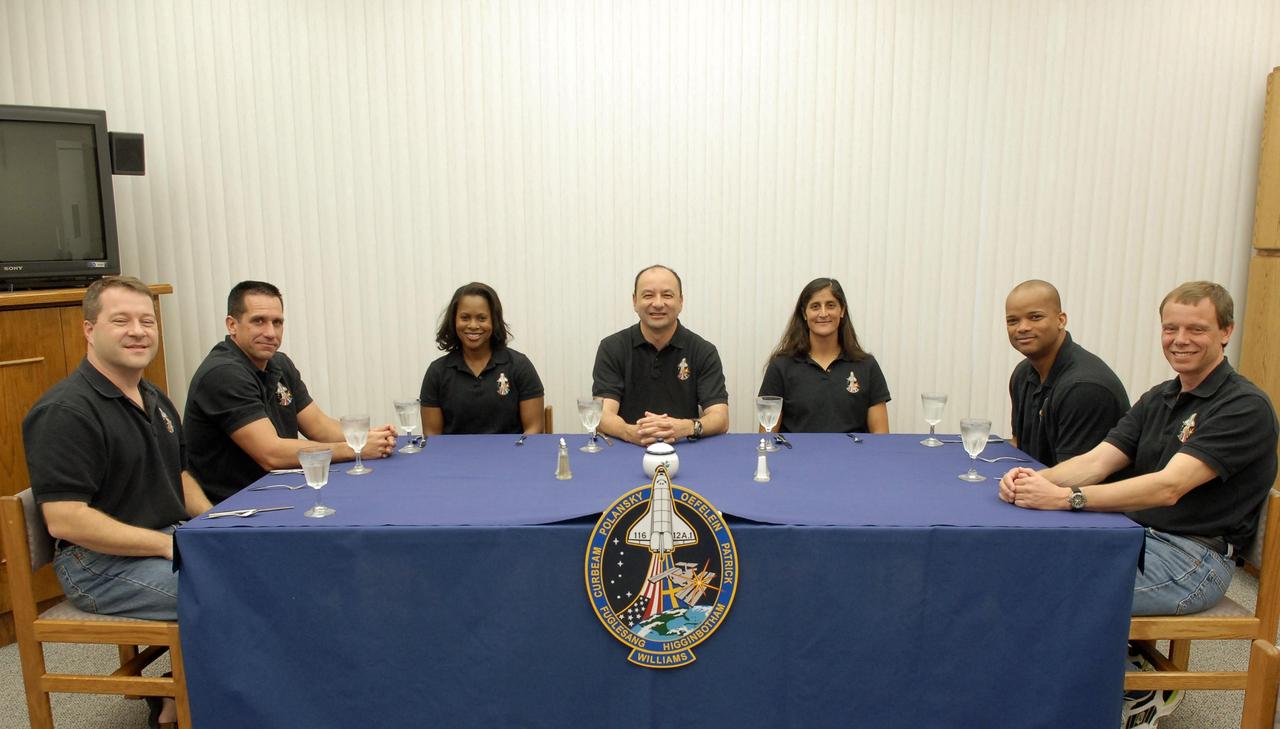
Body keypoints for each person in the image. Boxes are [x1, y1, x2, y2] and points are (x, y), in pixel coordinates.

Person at [999, 282, 1278, 727]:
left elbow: (1168, 487)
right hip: (1139, 535)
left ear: (1226, 332)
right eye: (1171, 328)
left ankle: (1134, 688)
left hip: (1193, 559)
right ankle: (1111, 677)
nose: (1180, 339)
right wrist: (1028, 481)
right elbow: (1095, 462)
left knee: (1042, 593)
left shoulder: (1243, 406)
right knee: (1024, 565)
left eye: (1196, 329)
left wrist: (1065, 498)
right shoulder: (1161, 397)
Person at [23, 276, 210, 727]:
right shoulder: (66, 412)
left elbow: (180, 476)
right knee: (226, 592)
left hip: (159, 541)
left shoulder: (154, 397)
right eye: (121, 320)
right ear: (89, 329)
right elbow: (66, 520)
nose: (138, 331)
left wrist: (217, 526)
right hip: (97, 565)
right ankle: (178, 707)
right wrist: (167, 546)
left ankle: (187, 691)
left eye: (147, 320)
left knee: (255, 570)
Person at [184, 281, 396, 504]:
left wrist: (367, 437)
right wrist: (355, 449)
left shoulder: (279, 363)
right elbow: (271, 453)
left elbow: (319, 426)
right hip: (237, 507)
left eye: (277, 322)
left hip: (280, 491)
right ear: (232, 325)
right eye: (258, 321)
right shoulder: (223, 373)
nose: (270, 332)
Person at [592, 264, 729, 445]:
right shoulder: (612, 347)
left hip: (684, 447)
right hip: (626, 448)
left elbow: (720, 418)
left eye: (667, 295)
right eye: (648, 295)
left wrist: (685, 428)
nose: (657, 304)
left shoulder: (703, 351)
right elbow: (602, 415)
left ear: (681, 301)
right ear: (634, 301)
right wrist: (630, 432)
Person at [1004, 279, 1130, 466]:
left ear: (1061, 320)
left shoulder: (1085, 388)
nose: (1022, 328)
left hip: (1076, 491)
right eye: (1013, 321)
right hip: (1037, 485)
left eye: (1035, 317)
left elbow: (1074, 477)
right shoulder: (1023, 374)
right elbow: (1018, 445)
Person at [758, 277, 890, 433]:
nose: (823, 313)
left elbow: (881, 439)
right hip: (797, 457)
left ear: (842, 311)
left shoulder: (867, 366)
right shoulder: (781, 366)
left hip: (852, 457)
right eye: (815, 306)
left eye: (831, 305)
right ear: (804, 313)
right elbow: (767, 438)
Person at [419, 282, 545, 434]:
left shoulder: (519, 365)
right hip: (454, 458)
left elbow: (534, 429)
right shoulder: (437, 372)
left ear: (494, 320)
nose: (473, 325)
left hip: (510, 456)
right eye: (465, 318)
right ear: (454, 320)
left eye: (481, 318)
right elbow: (432, 437)